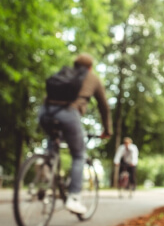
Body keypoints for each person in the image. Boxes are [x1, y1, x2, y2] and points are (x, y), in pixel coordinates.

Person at [39, 53, 112, 214]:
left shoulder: (65, 72)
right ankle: (74, 198)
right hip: (68, 114)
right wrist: (107, 130)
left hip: (45, 112)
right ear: (90, 67)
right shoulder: (92, 78)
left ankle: (46, 166)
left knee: (53, 141)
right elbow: (104, 106)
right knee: (79, 155)